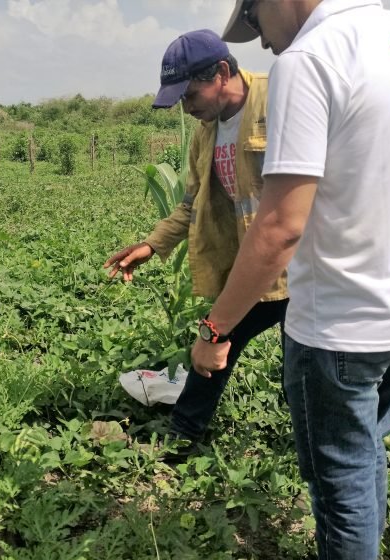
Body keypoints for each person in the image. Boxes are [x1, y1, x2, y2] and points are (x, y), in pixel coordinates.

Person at [191, 1, 390, 560]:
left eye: (256, 22)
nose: (260, 44)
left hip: (340, 331)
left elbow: (282, 226)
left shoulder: (311, 58)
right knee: (362, 455)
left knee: (342, 487)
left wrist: (215, 329)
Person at [103, 29, 288, 452]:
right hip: (255, 270)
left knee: (301, 366)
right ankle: (182, 437)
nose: (187, 108)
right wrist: (151, 245)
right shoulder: (207, 131)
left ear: (222, 72)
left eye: (190, 94)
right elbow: (191, 203)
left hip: (306, 267)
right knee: (217, 344)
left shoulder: (280, 97)